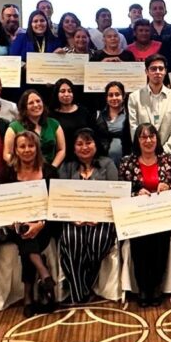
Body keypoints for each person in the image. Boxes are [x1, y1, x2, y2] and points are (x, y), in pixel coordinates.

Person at [58, 128, 121, 303]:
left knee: (97, 241)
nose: (84, 147)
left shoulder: (108, 164)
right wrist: (72, 218)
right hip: (73, 218)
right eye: (79, 144)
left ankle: (80, 286)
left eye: (88, 142)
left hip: (102, 218)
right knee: (72, 240)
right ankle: (81, 291)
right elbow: (60, 197)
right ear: (73, 147)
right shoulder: (67, 167)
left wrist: (99, 217)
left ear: (96, 144)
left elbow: (116, 195)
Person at [119, 123, 171, 306]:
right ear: (137, 141)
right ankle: (143, 288)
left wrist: (168, 187)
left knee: (161, 239)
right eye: (143, 137)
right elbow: (121, 191)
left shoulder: (167, 160)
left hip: (163, 213)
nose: (148, 140)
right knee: (140, 240)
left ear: (157, 139)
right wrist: (136, 194)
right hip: (138, 215)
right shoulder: (127, 162)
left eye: (151, 136)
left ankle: (156, 285)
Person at [2, 130, 60, 315]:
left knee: (28, 239)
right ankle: (44, 273)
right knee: (25, 234)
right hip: (16, 224)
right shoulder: (9, 173)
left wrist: (40, 223)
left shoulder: (49, 171)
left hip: (46, 223)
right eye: (22, 146)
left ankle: (28, 296)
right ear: (15, 150)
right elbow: (3, 203)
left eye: (31, 146)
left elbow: (56, 204)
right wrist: (17, 222)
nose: (27, 150)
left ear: (37, 148)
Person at [127, 55, 171, 161]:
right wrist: (147, 152)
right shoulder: (134, 98)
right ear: (146, 72)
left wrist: (164, 152)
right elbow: (134, 129)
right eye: (153, 69)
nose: (157, 72)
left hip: (170, 155)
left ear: (165, 71)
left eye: (160, 68)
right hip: (144, 156)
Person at [4, 89, 66, 167]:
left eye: (38, 101)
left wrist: (52, 168)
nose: (36, 105)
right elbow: (7, 154)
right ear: (24, 107)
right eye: (31, 103)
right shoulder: (14, 127)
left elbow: (61, 150)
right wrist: (22, 167)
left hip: (50, 169)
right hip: (24, 170)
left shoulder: (54, 124)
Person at [95, 81, 131, 167]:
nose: (114, 98)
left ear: (123, 96)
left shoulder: (130, 116)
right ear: (106, 98)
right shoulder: (98, 115)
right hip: (102, 164)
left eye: (117, 94)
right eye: (110, 95)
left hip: (125, 164)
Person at [51, 78, 95, 147]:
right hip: (61, 150)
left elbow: (93, 133)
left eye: (69, 91)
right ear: (56, 93)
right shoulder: (51, 115)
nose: (66, 94)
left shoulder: (83, 111)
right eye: (62, 91)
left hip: (83, 150)